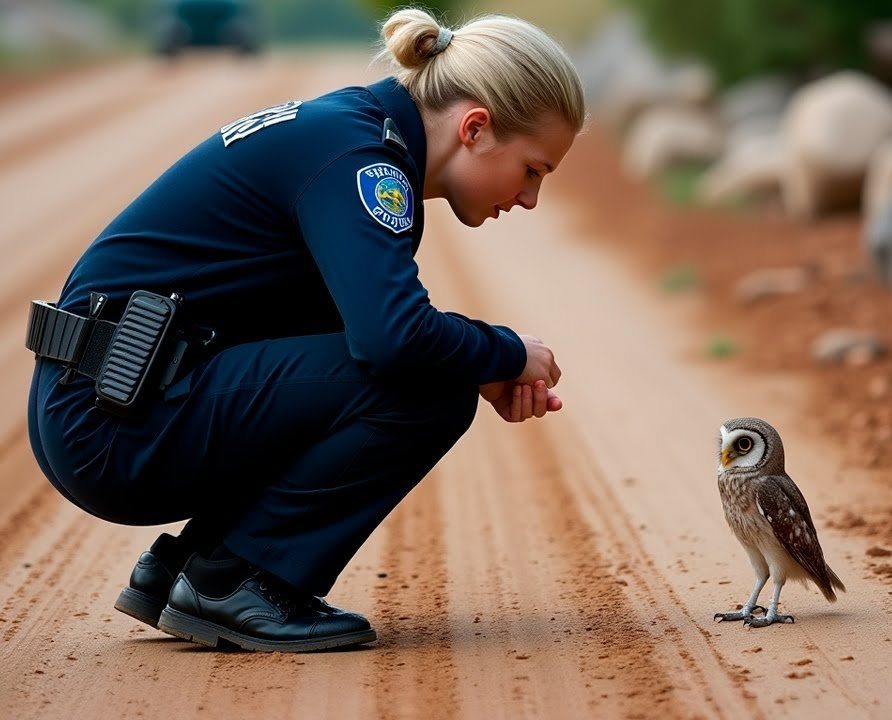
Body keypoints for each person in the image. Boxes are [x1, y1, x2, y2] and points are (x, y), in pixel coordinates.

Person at [25, 7, 584, 652]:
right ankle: (237, 581)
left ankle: (195, 563)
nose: (530, 199)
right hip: (114, 422)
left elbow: (355, 335)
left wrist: (473, 358)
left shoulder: (352, 132)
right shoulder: (361, 160)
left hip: (107, 403)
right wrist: (507, 351)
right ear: (476, 127)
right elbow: (392, 340)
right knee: (427, 391)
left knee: (418, 367)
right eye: (533, 170)